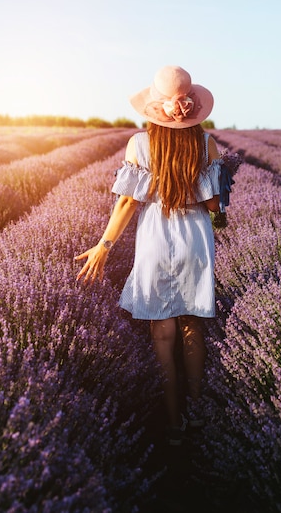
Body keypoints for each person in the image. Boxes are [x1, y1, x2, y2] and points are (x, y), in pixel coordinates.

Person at [75, 65, 221, 446]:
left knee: (162, 331)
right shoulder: (206, 145)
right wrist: (220, 209)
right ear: (190, 106)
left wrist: (104, 247)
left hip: (156, 236)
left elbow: (127, 202)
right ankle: (197, 415)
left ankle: (173, 425)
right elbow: (213, 206)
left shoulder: (140, 144)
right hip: (195, 239)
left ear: (156, 107)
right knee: (192, 325)